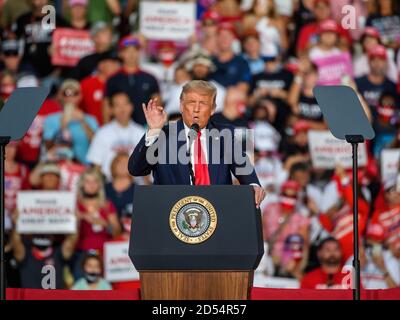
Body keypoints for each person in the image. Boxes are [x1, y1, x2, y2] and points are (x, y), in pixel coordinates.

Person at [128, 80, 265, 208]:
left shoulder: (227, 133)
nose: (196, 109)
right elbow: (136, 169)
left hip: (217, 212)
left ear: (213, 109)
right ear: (181, 106)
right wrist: (154, 131)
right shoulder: (163, 134)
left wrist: (253, 185)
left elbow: (244, 169)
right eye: (191, 102)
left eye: (203, 103)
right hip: (171, 214)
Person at [87, 91, 144, 181]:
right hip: (109, 186)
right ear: (111, 110)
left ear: (131, 106)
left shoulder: (141, 133)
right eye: (117, 105)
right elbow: (96, 166)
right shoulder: (102, 133)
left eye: (125, 104)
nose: (122, 109)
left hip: (136, 186)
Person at [104, 35, 160, 125]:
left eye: (135, 50)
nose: (131, 54)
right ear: (120, 53)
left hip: (145, 127)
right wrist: (107, 128)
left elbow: (158, 105)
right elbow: (106, 108)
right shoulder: (113, 80)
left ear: (139, 53)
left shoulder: (150, 78)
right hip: (119, 127)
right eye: (127, 51)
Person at [43, 79, 99, 165]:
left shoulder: (90, 119)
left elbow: (98, 146)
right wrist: (62, 127)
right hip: (58, 167)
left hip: (84, 168)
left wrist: (83, 122)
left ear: (80, 96)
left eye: (75, 93)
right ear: (60, 96)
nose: (70, 97)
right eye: (66, 93)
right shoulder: (51, 119)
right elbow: (48, 147)